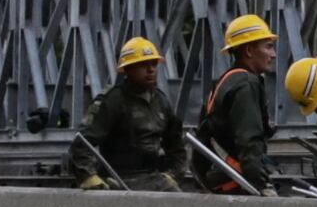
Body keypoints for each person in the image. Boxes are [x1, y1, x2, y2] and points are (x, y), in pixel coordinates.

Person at [195, 14, 289, 190]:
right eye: (268, 46)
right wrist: (261, 184)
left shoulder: (227, 80)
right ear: (249, 50)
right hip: (236, 181)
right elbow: (249, 139)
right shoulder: (246, 84)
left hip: (220, 177)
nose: (274, 54)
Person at [79, 35, 182, 187]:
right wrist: (88, 176)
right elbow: (82, 142)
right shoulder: (112, 100)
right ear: (127, 69)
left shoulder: (161, 101)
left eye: (154, 64)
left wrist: (173, 174)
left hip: (153, 177)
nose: (151, 70)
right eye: (143, 65)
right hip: (118, 178)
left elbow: (176, 145)